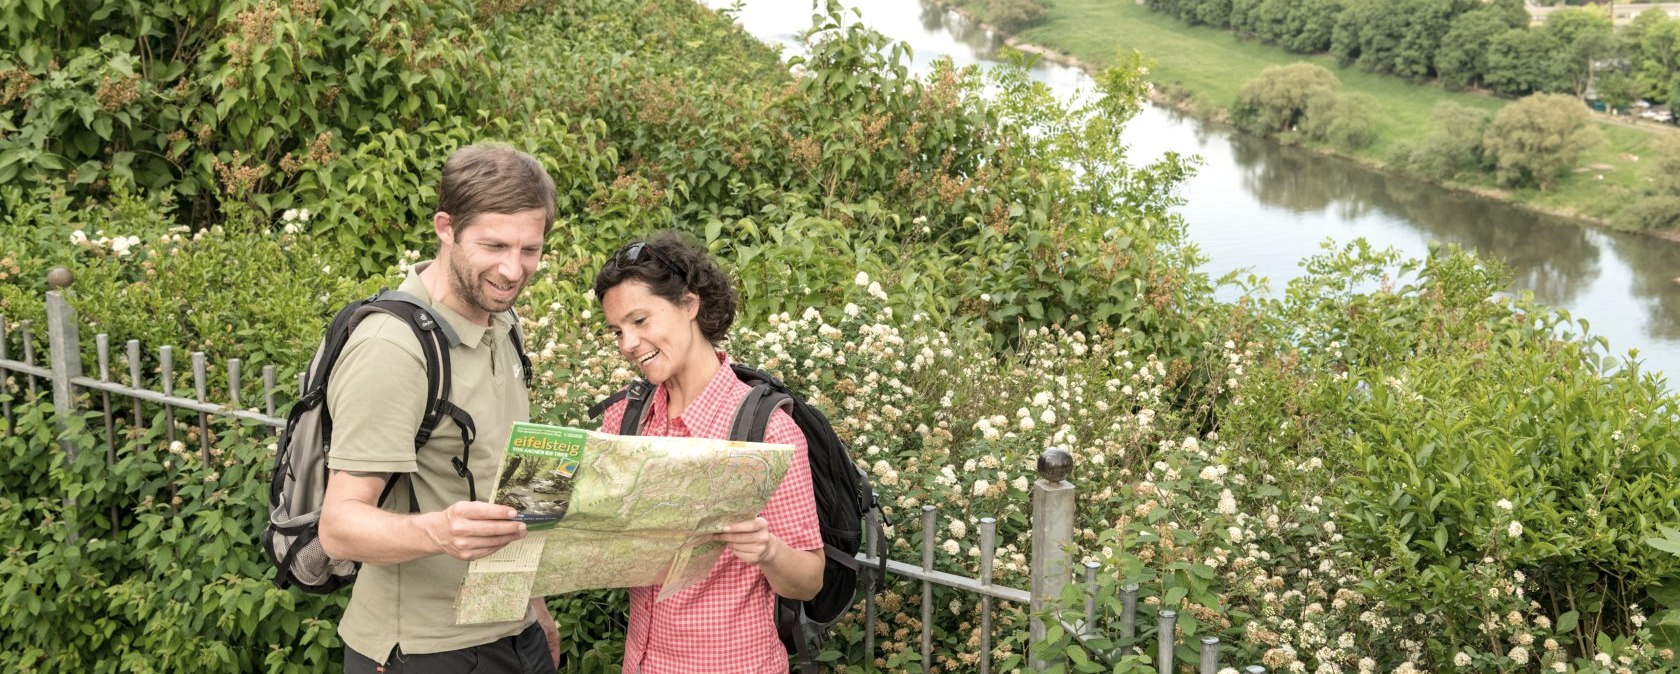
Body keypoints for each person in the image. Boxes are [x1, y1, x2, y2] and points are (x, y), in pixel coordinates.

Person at [319, 143, 561, 674]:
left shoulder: (503, 323)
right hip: (425, 649)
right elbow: (338, 526)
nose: (513, 269)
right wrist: (439, 531)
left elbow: (504, 480)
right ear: (446, 228)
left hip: (514, 630)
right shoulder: (391, 348)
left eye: (530, 249)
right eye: (494, 245)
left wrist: (535, 607)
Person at [592, 234, 825, 674]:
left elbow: (810, 580)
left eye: (640, 320)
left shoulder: (766, 430)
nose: (627, 343)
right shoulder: (625, 419)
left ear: (689, 304)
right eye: (618, 331)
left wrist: (768, 550)